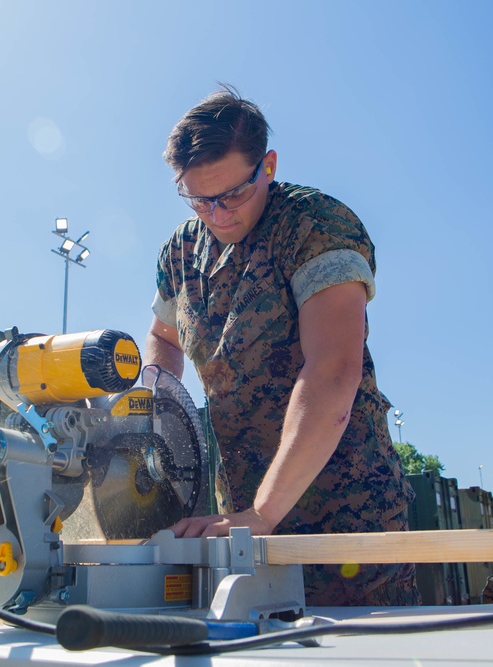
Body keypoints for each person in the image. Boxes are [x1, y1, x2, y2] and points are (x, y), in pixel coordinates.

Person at [144, 85, 418, 607]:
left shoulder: (315, 225)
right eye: (200, 199)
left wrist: (264, 515)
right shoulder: (180, 251)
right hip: (241, 517)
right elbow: (162, 337)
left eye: (233, 195)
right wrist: (157, 414)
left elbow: (334, 369)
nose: (218, 214)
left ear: (267, 165)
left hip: (343, 518)